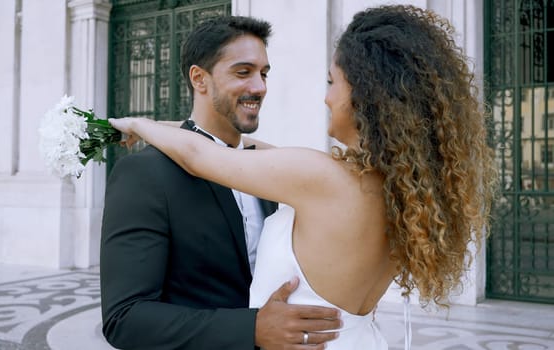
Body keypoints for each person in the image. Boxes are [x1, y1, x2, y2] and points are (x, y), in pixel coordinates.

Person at [109, 5, 498, 349]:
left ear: (365, 94)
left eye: (332, 82)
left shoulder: (316, 177)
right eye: (244, 72)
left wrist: (135, 122)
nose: (325, 97)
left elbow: (200, 155)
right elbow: (228, 149)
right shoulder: (400, 190)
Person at [100, 16, 341, 350]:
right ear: (200, 79)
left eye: (264, 73)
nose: (260, 87)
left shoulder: (267, 167)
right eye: (243, 72)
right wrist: (251, 329)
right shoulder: (144, 173)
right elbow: (124, 318)